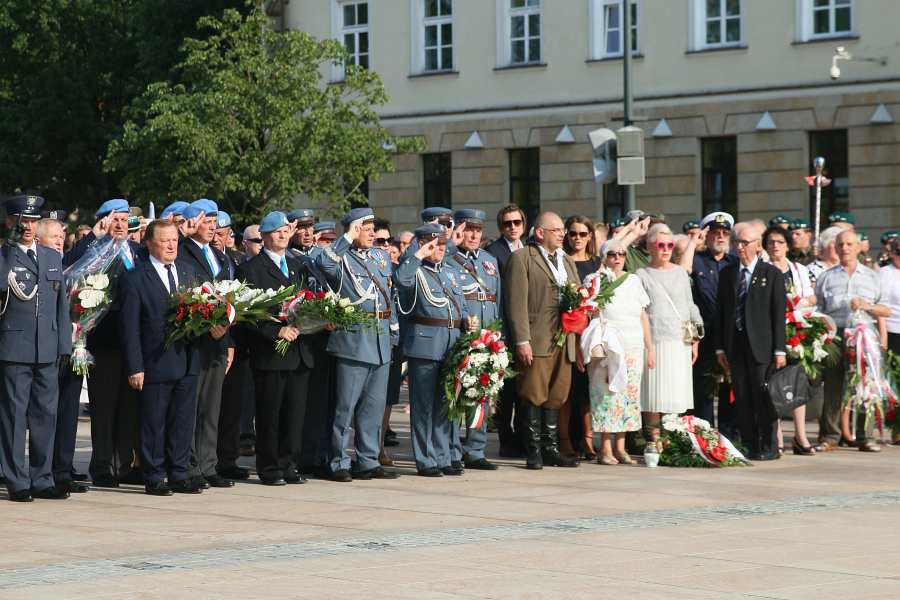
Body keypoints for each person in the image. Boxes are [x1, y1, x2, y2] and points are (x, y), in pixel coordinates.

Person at [64, 199, 144, 488]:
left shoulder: (137, 251)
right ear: (103, 221)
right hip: (105, 338)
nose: (120, 225)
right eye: (115, 219)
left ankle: (124, 464)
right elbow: (69, 266)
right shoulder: (94, 249)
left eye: (124, 219)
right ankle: (101, 465)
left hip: (134, 341)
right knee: (104, 406)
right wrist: (92, 237)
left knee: (129, 406)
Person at [120, 220, 202, 495]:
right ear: (149, 243)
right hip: (155, 361)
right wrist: (135, 367)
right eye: (164, 241)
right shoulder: (135, 278)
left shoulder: (188, 272)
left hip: (187, 359)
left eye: (174, 240)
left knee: (183, 421)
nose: (171, 246)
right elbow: (130, 328)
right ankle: (154, 475)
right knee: (154, 422)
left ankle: (179, 472)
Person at [317, 208, 399, 482]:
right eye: (366, 229)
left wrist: (394, 332)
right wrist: (347, 239)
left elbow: (389, 294)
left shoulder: (380, 257)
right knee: (345, 408)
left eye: (373, 228)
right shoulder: (340, 256)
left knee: (373, 408)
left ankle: (367, 460)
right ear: (353, 230)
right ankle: (338, 461)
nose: (372, 234)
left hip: (380, 339)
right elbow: (324, 266)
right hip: (354, 340)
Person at [0, 194, 72, 501]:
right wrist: (7, 248)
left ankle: (42, 478)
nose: (28, 226)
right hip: (15, 348)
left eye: (32, 220)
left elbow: (61, 306)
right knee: (14, 418)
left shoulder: (51, 257)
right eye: (22, 220)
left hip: (47, 348)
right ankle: (17, 480)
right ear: (9, 221)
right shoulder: (4, 255)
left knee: (46, 416)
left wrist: (64, 346)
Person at [237, 211, 313, 485]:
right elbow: (246, 313)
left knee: (295, 415)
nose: (282, 235)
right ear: (265, 236)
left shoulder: (297, 265)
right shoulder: (251, 269)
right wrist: (275, 331)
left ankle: (289, 464)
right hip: (271, 353)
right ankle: (269, 468)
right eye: (276, 231)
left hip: (299, 350)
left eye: (285, 230)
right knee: (270, 414)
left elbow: (307, 300)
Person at [394, 223, 471, 476]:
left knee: (444, 404)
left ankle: (442, 455)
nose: (440, 249)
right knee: (423, 406)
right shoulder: (414, 270)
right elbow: (401, 280)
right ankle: (426, 459)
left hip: (451, 343)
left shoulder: (449, 272)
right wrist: (418, 254)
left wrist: (467, 320)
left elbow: (460, 303)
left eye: (442, 245)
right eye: (435, 245)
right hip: (426, 344)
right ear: (423, 245)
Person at [505, 212, 580, 469]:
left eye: (562, 230)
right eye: (556, 230)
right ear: (540, 233)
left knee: (557, 394)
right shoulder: (523, 258)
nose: (562, 234)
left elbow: (577, 295)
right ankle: (533, 450)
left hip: (564, 338)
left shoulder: (566, 260)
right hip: (537, 338)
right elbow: (516, 303)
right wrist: (522, 340)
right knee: (533, 393)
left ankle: (550, 448)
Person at [714, 221, 786, 460]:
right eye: (737, 242)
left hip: (762, 346)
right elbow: (721, 312)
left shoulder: (771, 274)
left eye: (745, 242)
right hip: (735, 345)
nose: (740, 247)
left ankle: (769, 446)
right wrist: (720, 348)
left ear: (757, 245)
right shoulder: (727, 273)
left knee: (763, 397)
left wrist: (779, 349)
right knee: (742, 397)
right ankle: (749, 444)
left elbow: (778, 314)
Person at [175, 199, 235, 489]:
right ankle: (188, 465)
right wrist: (206, 323)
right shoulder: (182, 250)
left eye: (214, 221)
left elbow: (231, 297)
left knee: (212, 407)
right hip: (195, 340)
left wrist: (227, 335)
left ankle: (208, 464)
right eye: (206, 221)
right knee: (191, 406)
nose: (212, 227)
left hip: (219, 340)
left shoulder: (219, 256)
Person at [815, 230, 890, 453]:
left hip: (863, 335)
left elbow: (885, 310)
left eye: (849, 244)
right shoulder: (826, 277)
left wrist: (866, 306)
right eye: (840, 244)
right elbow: (818, 311)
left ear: (858, 247)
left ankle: (865, 437)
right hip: (835, 335)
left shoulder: (873, 277)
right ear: (835, 249)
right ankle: (831, 436)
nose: (845, 248)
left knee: (865, 386)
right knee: (833, 386)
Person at [585, 239, 651, 465]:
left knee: (627, 396)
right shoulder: (594, 280)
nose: (617, 258)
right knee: (606, 396)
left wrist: (650, 348)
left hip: (633, 346)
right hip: (607, 347)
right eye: (612, 254)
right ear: (604, 257)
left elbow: (642, 315)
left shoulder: (634, 280)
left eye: (622, 254)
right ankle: (605, 448)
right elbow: (586, 312)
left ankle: (620, 447)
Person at [446, 209, 501, 471]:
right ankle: (452, 450)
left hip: (486, 335)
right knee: (456, 393)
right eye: (469, 230)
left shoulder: (490, 261)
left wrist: (498, 332)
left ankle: (476, 450)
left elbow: (497, 298)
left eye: (478, 230)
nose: (474, 235)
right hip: (460, 335)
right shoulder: (450, 258)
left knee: (481, 392)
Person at [37, 218, 89, 494]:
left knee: (68, 412)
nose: (59, 241)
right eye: (54, 236)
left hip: (72, 349)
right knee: (45, 415)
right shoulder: (36, 265)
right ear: (39, 240)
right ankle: (41, 472)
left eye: (61, 236)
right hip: (44, 350)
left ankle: (62, 470)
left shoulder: (71, 268)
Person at [637, 224, 700, 442]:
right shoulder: (641, 274)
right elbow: (640, 311)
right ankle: (654, 441)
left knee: (675, 392)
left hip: (680, 341)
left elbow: (690, 305)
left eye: (670, 245)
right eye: (660, 245)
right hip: (654, 340)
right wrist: (648, 346)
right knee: (653, 393)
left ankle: (671, 440)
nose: (665, 249)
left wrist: (695, 339)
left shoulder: (681, 273)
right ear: (650, 246)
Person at [680, 212, 738, 437]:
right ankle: (705, 438)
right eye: (715, 233)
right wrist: (694, 242)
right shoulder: (697, 260)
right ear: (707, 235)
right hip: (703, 334)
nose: (720, 237)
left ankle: (728, 438)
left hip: (729, 333)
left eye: (725, 233)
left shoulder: (734, 262)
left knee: (728, 387)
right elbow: (683, 273)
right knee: (703, 389)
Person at [763, 226, 818, 455]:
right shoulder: (762, 268)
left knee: (797, 382)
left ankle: (800, 436)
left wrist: (799, 302)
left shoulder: (799, 269)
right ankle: (776, 437)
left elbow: (812, 297)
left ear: (787, 245)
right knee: (772, 383)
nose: (775, 246)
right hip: (769, 332)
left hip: (795, 329)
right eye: (771, 242)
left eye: (779, 242)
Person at [484, 204, 527, 457]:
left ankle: (523, 437)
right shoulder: (493, 252)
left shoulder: (530, 249)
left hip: (526, 329)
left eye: (516, 222)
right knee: (506, 389)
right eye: (507, 223)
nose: (512, 227)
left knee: (524, 388)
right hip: (504, 330)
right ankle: (506, 439)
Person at [562, 215, 602, 459]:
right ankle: (565, 439)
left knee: (588, 388)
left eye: (583, 234)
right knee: (569, 388)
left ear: (590, 236)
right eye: (573, 233)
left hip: (592, 331)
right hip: (568, 331)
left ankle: (587, 439)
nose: (578, 238)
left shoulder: (597, 263)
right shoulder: (562, 261)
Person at [881, 238, 900, 358]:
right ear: (892, 253)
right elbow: (880, 307)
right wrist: (883, 339)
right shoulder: (884, 273)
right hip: (893, 332)